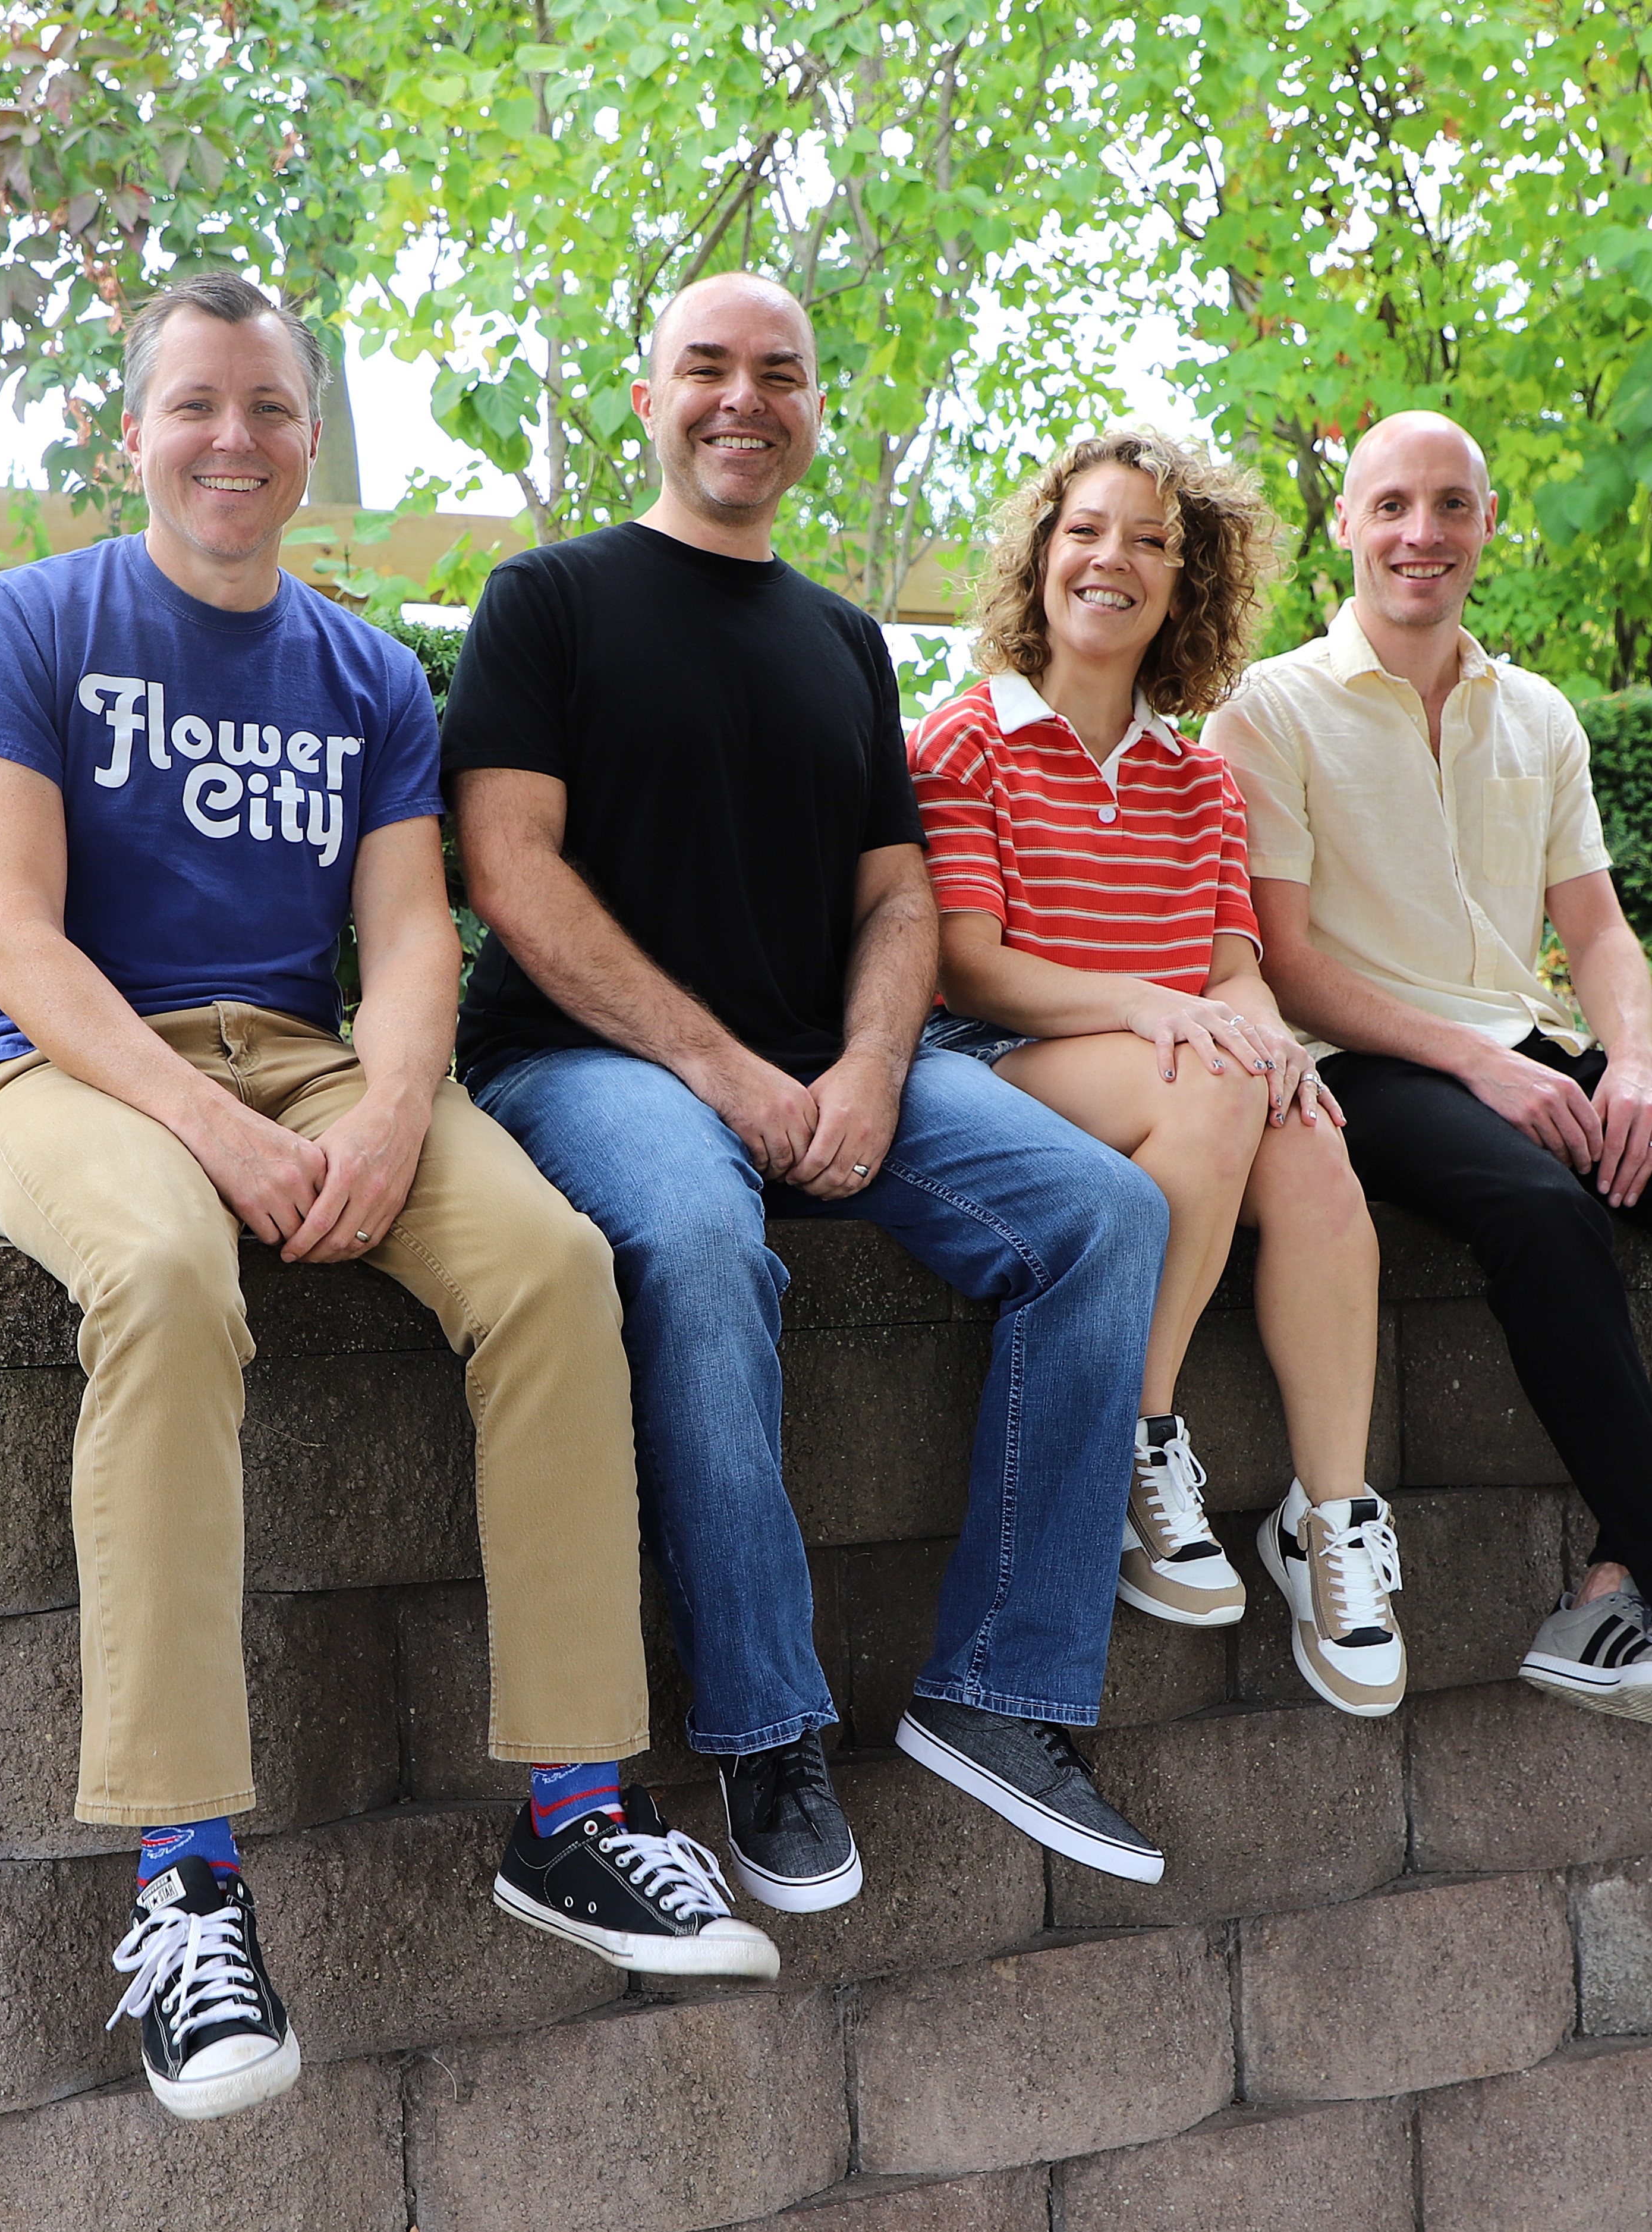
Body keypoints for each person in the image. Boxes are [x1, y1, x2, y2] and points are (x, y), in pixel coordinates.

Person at [0, 272, 773, 2128]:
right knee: (165, 1274)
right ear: (129, 432)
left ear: (312, 439)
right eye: (197, 404)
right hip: (63, 1073)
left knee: (549, 1262)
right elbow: (15, 939)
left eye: (272, 408)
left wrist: (387, 1118)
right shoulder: (21, 623)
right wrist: (212, 1138)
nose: (235, 439)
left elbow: (409, 935)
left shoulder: (369, 673)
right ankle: (185, 1886)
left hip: (309, 1064)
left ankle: (575, 1810)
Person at [445, 273, 1176, 1909]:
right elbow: (510, 869)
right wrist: (724, 1073)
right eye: (705, 366)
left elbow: (900, 895)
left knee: (1103, 1212)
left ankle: (999, 1690)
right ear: (649, 398)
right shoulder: (547, 598)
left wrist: (866, 1067)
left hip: (828, 1063)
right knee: (705, 1244)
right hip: (586, 1063)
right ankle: (767, 1724)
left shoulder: (842, 639)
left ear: (815, 410)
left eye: (779, 372)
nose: (743, 399)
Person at [1211, 408, 1652, 1823]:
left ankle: (1614, 1592)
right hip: (1364, 1065)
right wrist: (1475, 1064)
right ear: (1344, 523)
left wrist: (1625, 1062)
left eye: (1451, 504)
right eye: (1392, 504)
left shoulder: (1538, 712)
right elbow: (1285, 962)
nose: (1421, 533)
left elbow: (1598, 929)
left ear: (1486, 525)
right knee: (1544, 1212)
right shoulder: (1267, 710)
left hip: (1535, 1051)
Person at [907, 427, 1403, 1717]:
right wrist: (1162, 1012)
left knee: (1311, 1139)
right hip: (998, 1067)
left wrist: (1263, 1035)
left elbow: (1233, 969)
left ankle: (1332, 1522)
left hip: (1170, 1062)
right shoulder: (965, 740)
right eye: (1084, 529)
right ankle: (1141, 1437)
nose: (1110, 559)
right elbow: (968, 964)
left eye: (1149, 541)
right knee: (1212, 1077)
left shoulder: (1200, 780)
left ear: (1187, 582)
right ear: (1040, 555)